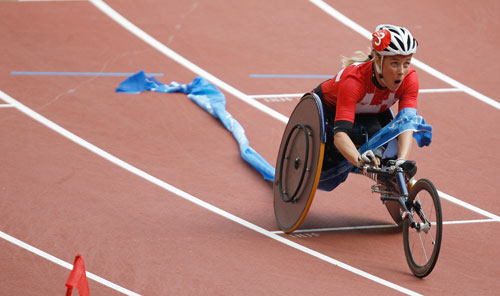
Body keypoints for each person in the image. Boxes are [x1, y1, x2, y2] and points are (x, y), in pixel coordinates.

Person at [312, 24, 419, 170]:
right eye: (395, 63)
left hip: (368, 113)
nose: (401, 72)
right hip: (329, 110)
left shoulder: (409, 80)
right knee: (339, 150)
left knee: (386, 135)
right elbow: (340, 135)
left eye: (406, 63)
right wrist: (359, 161)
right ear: (377, 59)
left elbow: (406, 125)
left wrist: (401, 160)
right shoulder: (354, 81)